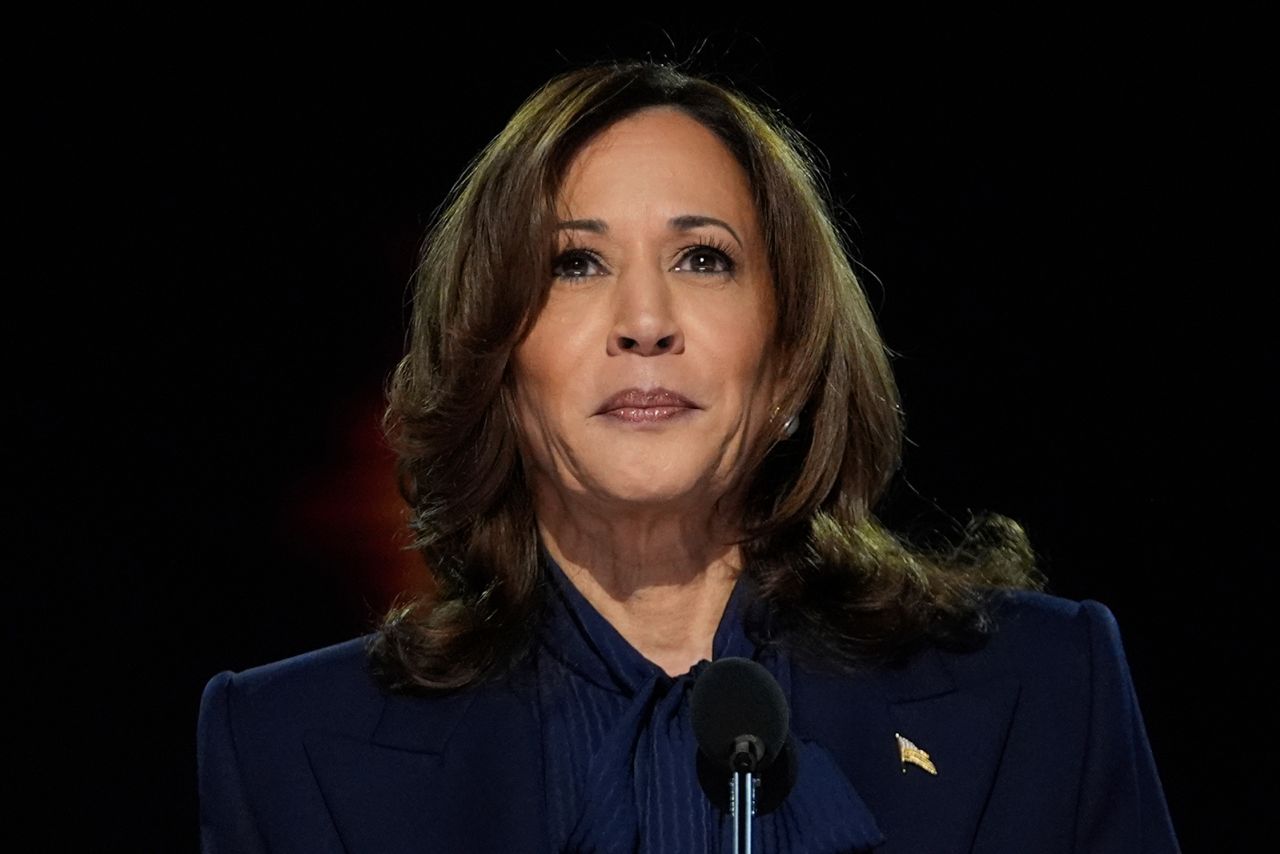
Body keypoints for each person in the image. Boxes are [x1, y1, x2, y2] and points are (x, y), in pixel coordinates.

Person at [197, 59, 1181, 853]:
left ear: (789, 355)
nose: (644, 321)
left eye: (701, 258)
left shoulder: (1044, 689)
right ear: (495, 360)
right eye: (572, 263)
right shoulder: (289, 748)